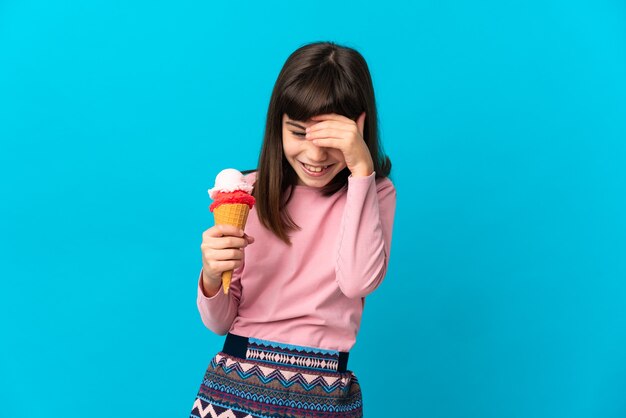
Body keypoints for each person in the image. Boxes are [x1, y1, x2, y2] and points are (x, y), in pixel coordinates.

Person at [190, 41, 396, 418]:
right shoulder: (245, 193)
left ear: (359, 128)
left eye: (331, 139)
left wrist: (362, 172)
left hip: (323, 393)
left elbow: (357, 282)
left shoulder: (374, 192)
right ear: (277, 125)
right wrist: (210, 274)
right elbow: (219, 321)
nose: (315, 157)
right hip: (236, 385)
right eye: (299, 133)